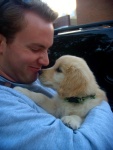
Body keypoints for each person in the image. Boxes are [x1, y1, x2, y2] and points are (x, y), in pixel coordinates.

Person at [0, 0, 113, 149]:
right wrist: (102, 103)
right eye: (35, 49)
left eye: (47, 50)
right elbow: (83, 146)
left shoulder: (31, 78)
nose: (46, 61)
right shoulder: (5, 104)